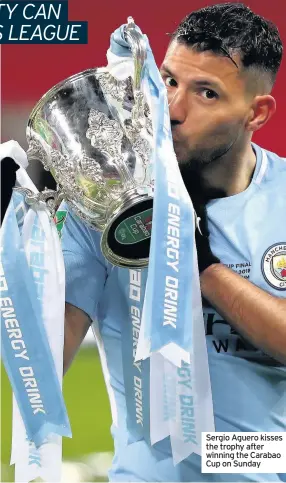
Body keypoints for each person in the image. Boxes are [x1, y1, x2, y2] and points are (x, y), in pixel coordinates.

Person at [5, 3, 285, 482]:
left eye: (207, 93)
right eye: (169, 80)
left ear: (256, 113)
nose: (174, 109)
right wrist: (13, 255)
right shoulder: (104, 208)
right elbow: (42, 365)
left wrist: (199, 267)